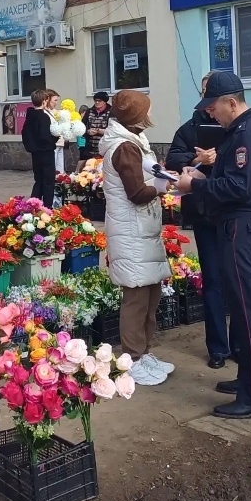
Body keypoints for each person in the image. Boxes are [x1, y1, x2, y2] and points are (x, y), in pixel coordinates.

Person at [174, 71, 251, 419]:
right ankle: (249, 379)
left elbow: (239, 188)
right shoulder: (241, 129)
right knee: (241, 306)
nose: (210, 113)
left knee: (247, 311)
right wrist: (203, 176)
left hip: (241, 226)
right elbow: (234, 179)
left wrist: (194, 186)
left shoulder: (247, 132)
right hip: (237, 224)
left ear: (232, 102)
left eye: (214, 107)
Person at [98, 90, 175, 386]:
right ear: (136, 115)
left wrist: (162, 178)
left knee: (151, 293)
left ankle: (143, 353)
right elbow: (137, 193)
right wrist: (163, 186)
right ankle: (131, 358)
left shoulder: (133, 141)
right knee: (137, 298)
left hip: (141, 229)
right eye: (147, 109)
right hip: (131, 230)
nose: (151, 114)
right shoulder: (124, 147)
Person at [166, 72, 240, 370]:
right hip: (204, 212)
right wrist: (196, 161)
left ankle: (239, 344)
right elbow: (173, 158)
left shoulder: (238, 126)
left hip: (233, 212)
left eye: (214, 95)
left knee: (236, 280)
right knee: (212, 280)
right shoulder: (190, 127)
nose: (209, 103)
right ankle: (218, 348)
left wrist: (219, 158)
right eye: (205, 93)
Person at [22, 89, 58, 207]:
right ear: (44, 101)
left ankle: (33, 206)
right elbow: (44, 136)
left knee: (38, 180)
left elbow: (25, 134)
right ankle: (47, 207)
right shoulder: (43, 117)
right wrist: (55, 138)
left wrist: (31, 147)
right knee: (48, 182)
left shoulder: (30, 115)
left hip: (35, 152)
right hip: (46, 152)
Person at [80, 92, 112, 170]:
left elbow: (114, 129)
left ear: (105, 102)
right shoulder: (89, 111)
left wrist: (102, 131)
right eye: (95, 100)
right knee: (89, 168)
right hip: (90, 147)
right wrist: (88, 131)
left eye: (99, 101)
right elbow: (81, 127)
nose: (97, 102)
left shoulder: (111, 112)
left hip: (105, 146)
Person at [46, 90, 66, 174]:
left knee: (60, 171)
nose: (56, 103)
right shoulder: (45, 113)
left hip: (60, 143)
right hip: (53, 144)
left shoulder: (56, 112)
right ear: (48, 99)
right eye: (55, 100)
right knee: (52, 170)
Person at [76, 104, 90, 172]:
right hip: (82, 141)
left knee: (84, 158)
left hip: (84, 141)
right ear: (82, 112)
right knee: (82, 158)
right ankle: (77, 171)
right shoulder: (80, 121)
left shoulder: (85, 121)